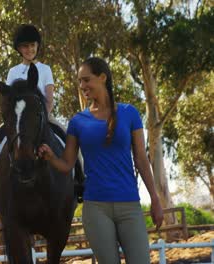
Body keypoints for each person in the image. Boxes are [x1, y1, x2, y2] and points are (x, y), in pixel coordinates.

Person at [38, 57, 164, 263]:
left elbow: (141, 159)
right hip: (96, 208)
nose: (82, 86)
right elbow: (67, 164)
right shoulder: (78, 122)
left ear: (103, 77)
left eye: (86, 80)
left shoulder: (129, 113)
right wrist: (51, 156)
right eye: (79, 82)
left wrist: (155, 199)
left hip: (130, 205)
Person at [0, 24, 66, 203]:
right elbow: (9, 99)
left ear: (37, 46)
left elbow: (49, 98)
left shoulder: (45, 69)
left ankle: (80, 178)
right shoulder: (13, 71)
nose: (30, 49)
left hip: (41, 116)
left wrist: (44, 118)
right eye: (25, 46)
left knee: (66, 134)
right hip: (18, 119)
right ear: (19, 49)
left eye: (33, 45)